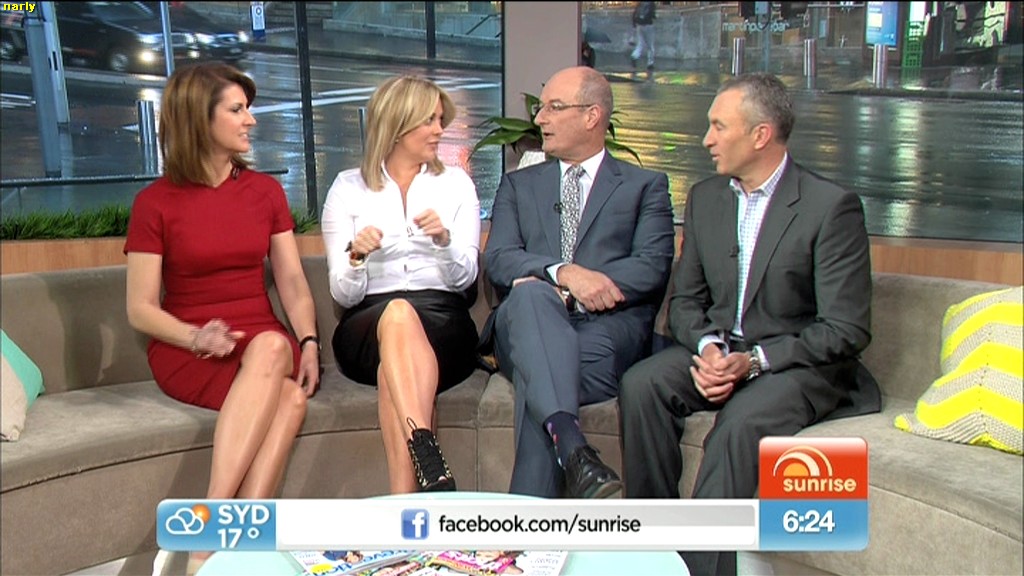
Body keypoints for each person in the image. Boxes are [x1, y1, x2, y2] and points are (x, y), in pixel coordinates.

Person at [619, 73, 880, 575]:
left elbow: (846, 328)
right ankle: (651, 551)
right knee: (641, 385)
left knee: (738, 426)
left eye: (719, 126)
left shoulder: (829, 207)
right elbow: (685, 303)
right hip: (723, 352)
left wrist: (754, 361)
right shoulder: (706, 198)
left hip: (797, 364)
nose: (706, 139)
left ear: (760, 135)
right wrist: (709, 349)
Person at [125, 63, 320, 575]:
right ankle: (224, 545)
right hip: (189, 348)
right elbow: (140, 307)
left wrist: (310, 341)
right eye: (237, 110)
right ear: (199, 118)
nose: (251, 120)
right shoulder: (154, 203)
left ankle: (213, 546)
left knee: (276, 356)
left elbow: (292, 280)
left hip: (261, 338)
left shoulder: (265, 192)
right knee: (287, 392)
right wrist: (196, 336)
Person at [482, 66, 675, 499]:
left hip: (604, 334)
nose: (540, 119)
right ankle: (574, 451)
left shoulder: (644, 186)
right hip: (524, 323)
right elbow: (499, 258)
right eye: (540, 109)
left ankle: (536, 516)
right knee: (533, 297)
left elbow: (651, 266)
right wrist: (564, 274)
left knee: (540, 373)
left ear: (592, 116)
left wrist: (577, 293)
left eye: (554, 107)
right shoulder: (518, 186)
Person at [321, 75, 480, 494]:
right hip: (367, 323)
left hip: (443, 323)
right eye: (429, 120)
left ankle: (405, 502)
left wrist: (444, 241)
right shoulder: (347, 188)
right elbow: (343, 294)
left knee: (393, 367)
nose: (439, 130)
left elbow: (466, 279)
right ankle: (424, 449)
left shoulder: (456, 184)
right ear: (397, 125)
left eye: (440, 119)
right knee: (396, 314)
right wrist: (356, 256)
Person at [630, 1, 656, 73]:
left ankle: (634, 56)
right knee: (650, 46)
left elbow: (634, 15)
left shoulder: (640, 3)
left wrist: (634, 25)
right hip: (648, 26)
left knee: (640, 44)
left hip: (639, 26)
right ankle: (650, 63)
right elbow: (652, 15)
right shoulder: (651, 4)